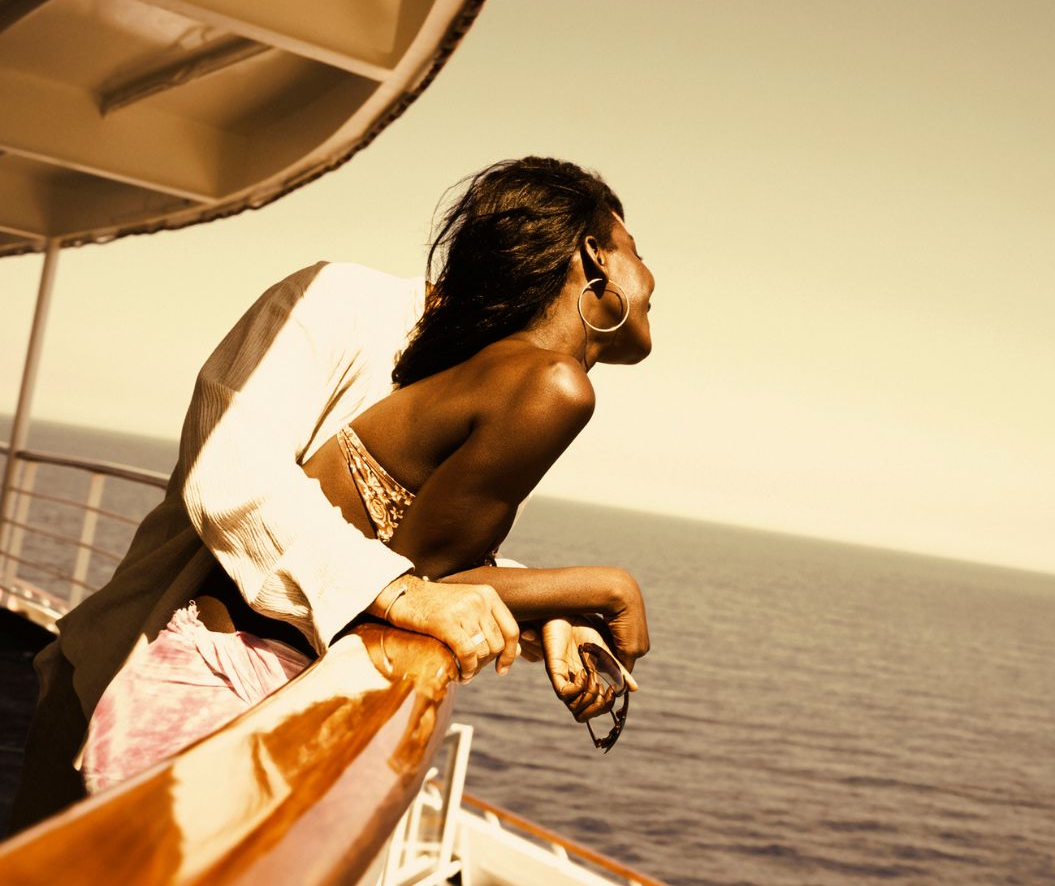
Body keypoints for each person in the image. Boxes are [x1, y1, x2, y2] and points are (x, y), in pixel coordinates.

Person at [10, 157, 653, 828]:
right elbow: (232, 479)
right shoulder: (342, 302)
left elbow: (414, 555)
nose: (654, 277)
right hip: (140, 679)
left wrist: (549, 610)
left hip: (290, 723)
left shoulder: (503, 380)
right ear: (594, 254)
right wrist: (413, 593)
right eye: (637, 249)